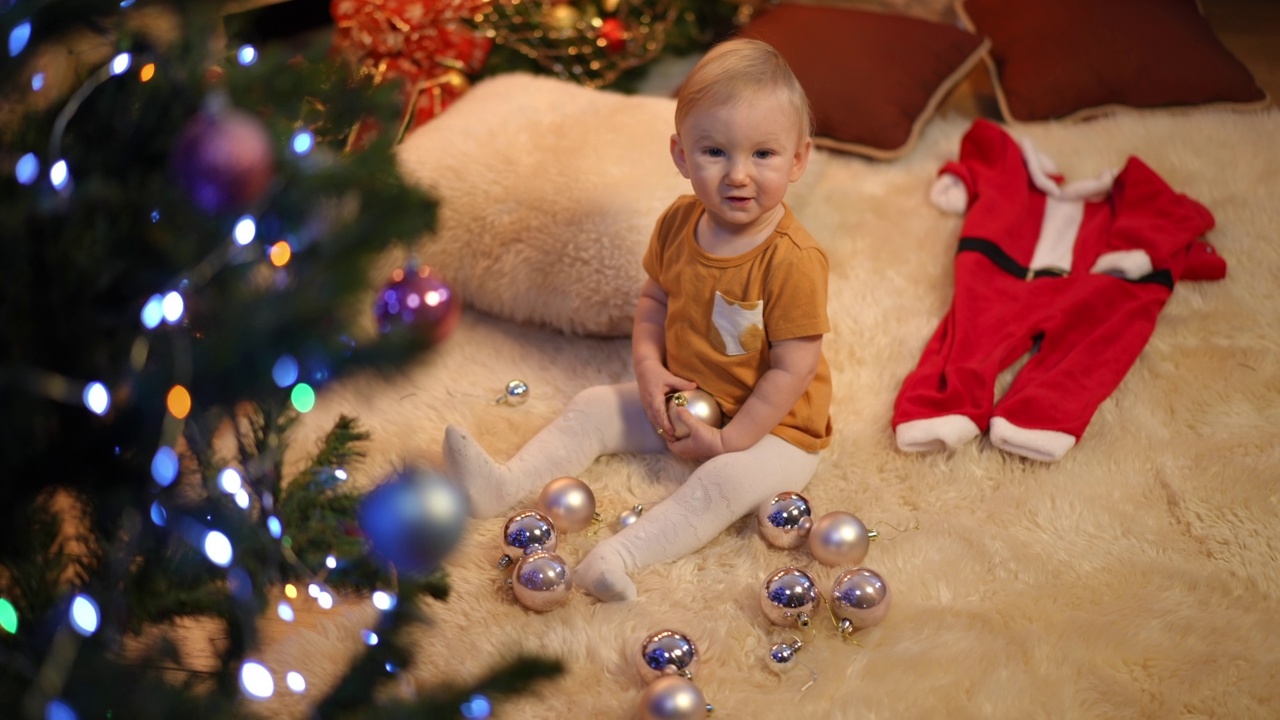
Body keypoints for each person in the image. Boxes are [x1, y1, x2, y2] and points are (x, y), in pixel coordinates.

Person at [442, 37, 832, 601]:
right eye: (715, 152)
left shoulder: (793, 260)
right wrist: (649, 373)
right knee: (593, 405)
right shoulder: (679, 222)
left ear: (797, 159)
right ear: (680, 156)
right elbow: (653, 304)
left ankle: (618, 556)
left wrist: (727, 443)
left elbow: (792, 370)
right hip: (692, 394)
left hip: (777, 427)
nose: (739, 175)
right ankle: (501, 485)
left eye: (763, 154)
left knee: (719, 484)